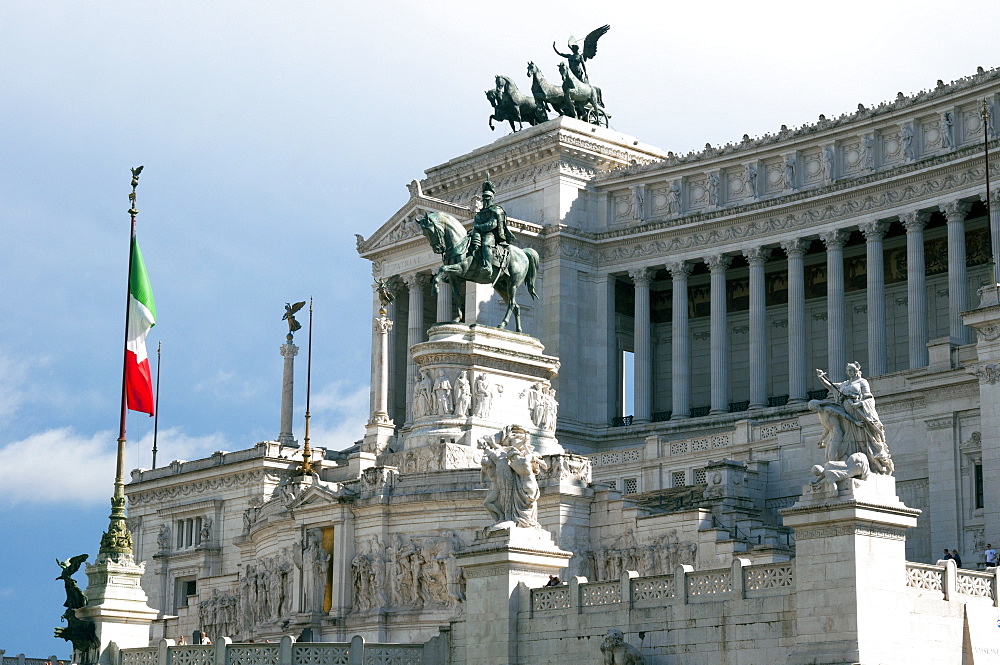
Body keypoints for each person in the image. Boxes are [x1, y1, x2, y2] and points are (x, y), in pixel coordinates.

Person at [468, 180, 514, 275]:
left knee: (486, 244)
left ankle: (487, 266)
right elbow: (476, 221)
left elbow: (492, 224)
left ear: (491, 198)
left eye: (487, 198)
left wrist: (479, 227)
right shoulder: (480, 212)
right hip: (479, 233)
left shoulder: (496, 210)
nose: (485, 200)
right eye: (484, 198)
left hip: (491, 234)